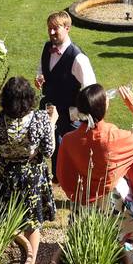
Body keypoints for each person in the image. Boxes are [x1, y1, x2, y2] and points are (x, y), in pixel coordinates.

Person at [57, 84, 133, 264]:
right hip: (117, 202)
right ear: (103, 108)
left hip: (84, 204)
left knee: (89, 256)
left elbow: (63, 177)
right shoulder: (113, 137)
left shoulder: (69, 139)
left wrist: (80, 194)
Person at [0, 77, 57, 264]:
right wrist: (53, 122)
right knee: (32, 223)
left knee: (7, 222)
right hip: (31, 177)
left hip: (5, 176)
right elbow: (49, 151)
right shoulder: (40, 118)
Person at [35, 11, 96, 178]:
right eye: (49, 29)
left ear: (67, 28)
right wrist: (39, 77)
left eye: (56, 28)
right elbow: (41, 67)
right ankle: (58, 177)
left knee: (73, 154)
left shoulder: (78, 59)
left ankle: (75, 185)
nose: (52, 32)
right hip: (50, 111)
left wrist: (74, 113)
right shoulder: (47, 48)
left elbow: (91, 92)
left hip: (71, 117)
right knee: (53, 146)